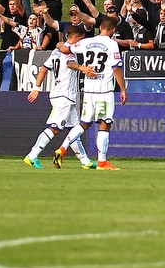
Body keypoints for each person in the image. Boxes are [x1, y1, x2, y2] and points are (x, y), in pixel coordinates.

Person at [53, 18, 127, 171]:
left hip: (88, 89)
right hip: (104, 89)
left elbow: (65, 49)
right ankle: (102, 162)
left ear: (100, 27)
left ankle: (62, 148)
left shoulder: (87, 42)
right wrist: (123, 89)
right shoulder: (112, 44)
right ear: (113, 30)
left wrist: (60, 43)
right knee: (104, 123)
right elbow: (116, 69)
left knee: (84, 123)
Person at [23, 25, 98, 169]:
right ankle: (32, 155)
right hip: (64, 95)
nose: (80, 43)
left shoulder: (57, 51)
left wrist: (37, 88)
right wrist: (83, 68)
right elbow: (70, 64)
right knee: (55, 128)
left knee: (74, 129)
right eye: (80, 39)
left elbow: (44, 68)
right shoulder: (68, 52)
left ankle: (84, 161)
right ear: (75, 38)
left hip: (61, 93)